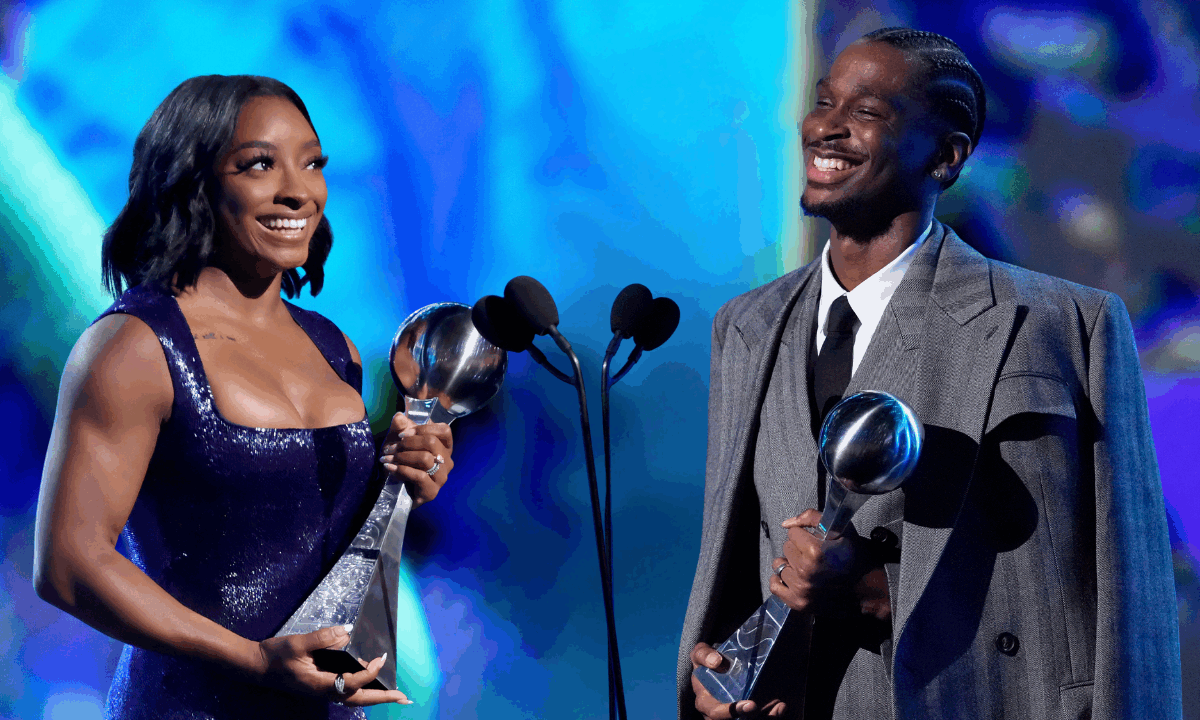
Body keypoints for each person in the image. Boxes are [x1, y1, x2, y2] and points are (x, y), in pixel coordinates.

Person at [679, 28, 1181, 720]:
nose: (826, 125)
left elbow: (1130, 600)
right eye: (825, 101)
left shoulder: (1065, 324)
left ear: (946, 157)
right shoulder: (747, 325)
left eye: (868, 112)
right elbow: (738, 557)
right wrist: (723, 673)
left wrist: (877, 585)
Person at [32, 75, 455, 719]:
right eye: (260, 164)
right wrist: (254, 660)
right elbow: (69, 565)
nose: (298, 190)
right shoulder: (134, 347)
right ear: (191, 181)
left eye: (312, 164)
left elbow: (308, 534)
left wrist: (403, 482)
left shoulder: (335, 348)